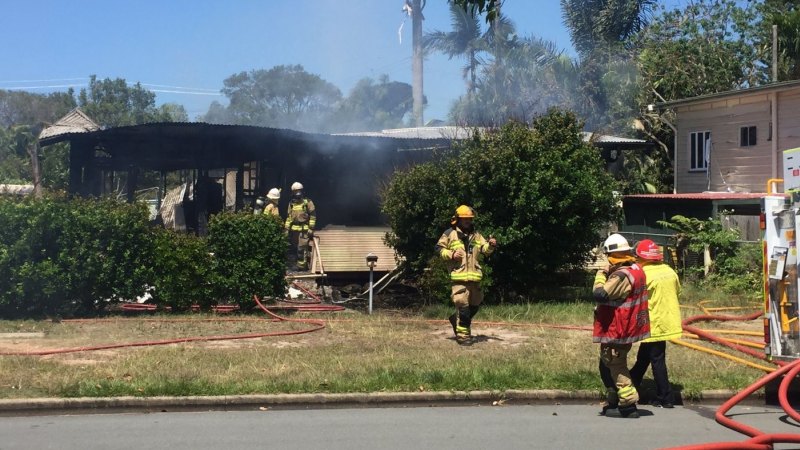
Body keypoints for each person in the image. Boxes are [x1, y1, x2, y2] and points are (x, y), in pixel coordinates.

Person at [593, 233, 650, 418]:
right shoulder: (636, 269)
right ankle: (615, 398)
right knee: (607, 364)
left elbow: (600, 294)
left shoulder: (620, 276)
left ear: (611, 256)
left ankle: (628, 404)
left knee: (616, 364)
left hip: (617, 328)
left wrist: (601, 274)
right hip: (629, 326)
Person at [629, 239, 682, 408]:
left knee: (657, 359)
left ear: (640, 257)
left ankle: (665, 397)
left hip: (653, 323)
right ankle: (631, 384)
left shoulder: (643, 274)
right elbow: (677, 291)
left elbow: (633, 297)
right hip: (668, 321)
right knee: (644, 357)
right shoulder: (669, 271)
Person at [435, 205, 497, 345]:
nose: (468, 221)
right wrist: (451, 254)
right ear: (458, 219)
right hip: (459, 278)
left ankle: (454, 319)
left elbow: (484, 249)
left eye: (470, 218)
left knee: (474, 306)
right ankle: (463, 337)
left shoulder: (476, 235)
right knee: (463, 307)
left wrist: (491, 245)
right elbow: (438, 248)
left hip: (474, 278)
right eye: (465, 219)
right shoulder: (449, 233)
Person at [284, 182, 316, 271]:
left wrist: (311, 228)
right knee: (295, 248)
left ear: (302, 191)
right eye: (295, 191)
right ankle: (298, 265)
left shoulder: (308, 202)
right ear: (292, 192)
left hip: (304, 230)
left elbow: (313, 215)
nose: (298, 193)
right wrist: (286, 229)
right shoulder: (291, 203)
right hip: (294, 231)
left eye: (299, 191)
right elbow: (289, 217)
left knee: (302, 248)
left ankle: (302, 267)